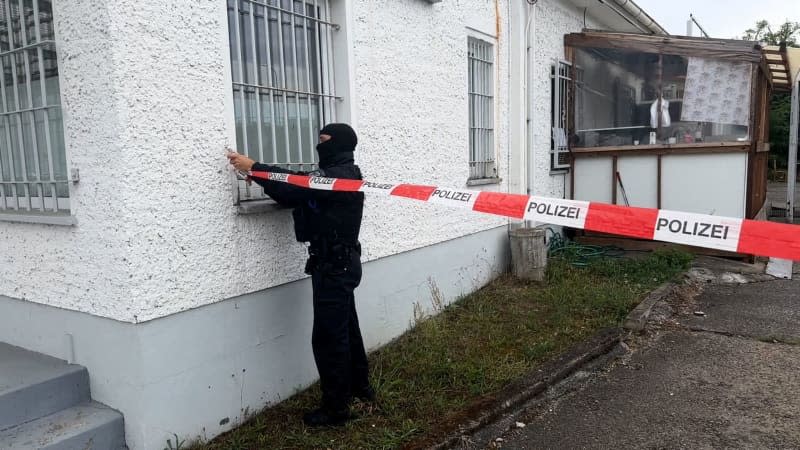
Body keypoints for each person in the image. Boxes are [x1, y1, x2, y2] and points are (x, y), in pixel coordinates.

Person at [226, 123, 373, 426]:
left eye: (324, 140)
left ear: (340, 144)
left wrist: (255, 167)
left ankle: (336, 410)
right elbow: (295, 192)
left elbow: (294, 185)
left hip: (335, 266)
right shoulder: (343, 174)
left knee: (329, 339)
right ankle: (360, 386)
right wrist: (260, 175)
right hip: (339, 263)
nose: (319, 145)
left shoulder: (337, 176)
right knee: (347, 328)